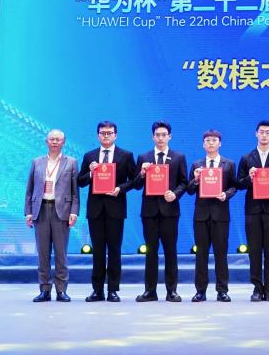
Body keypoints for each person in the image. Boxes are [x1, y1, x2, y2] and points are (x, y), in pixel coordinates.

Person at [77, 121, 136, 303]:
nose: (106, 135)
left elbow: (135, 181)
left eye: (109, 133)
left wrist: (120, 189)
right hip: (95, 210)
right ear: (98, 136)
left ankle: (112, 290)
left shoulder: (126, 155)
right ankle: (97, 290)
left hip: (116, 208)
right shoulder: (89, 156)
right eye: (103, 133)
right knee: (98, 251)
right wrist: (91, 173)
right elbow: (80, 181)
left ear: (115, 135)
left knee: (115, 250)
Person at [133, 121, 188, 303]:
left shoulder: (178, 157)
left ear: (169, 136)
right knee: (151, 252)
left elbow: (184, 182)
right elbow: (136, 185)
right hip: (149, 212)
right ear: (152, 137)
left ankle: (172, 291)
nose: (161, 138)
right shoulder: (144, 157)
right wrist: (141, 174)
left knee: (170, 251)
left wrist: (175, 194)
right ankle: (150, 291)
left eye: (164, 135)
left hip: (170, 211)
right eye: (157, 135)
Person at [237, 120, 269, 302]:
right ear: (256, 134)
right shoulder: (246, 158)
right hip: (252, 210)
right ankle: (257, 289)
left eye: (268, 132)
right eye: (261, 132)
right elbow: (239, 183)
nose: (264, 135)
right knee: (254, 251)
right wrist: (249, 178)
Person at [24, 129, 79, 302]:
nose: (55, 142)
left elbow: (75, 192)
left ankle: (61, 290)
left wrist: (74, 212)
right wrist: (28, 212)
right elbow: (29, 190)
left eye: (58, 139)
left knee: (61, 253)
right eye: (52, 139)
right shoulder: (37, 162)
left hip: (61, 210)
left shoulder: (71, 162)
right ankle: (44, 290)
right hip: (40, 210)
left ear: (64, 142)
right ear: (46, 141)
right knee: (43, 253)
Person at [187, 130, 238, 302]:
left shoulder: (229, 164)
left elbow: (234, 187)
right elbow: (189, 190)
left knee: (221, 254)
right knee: (201, 254)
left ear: (220, 143)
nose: (211, 143)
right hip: (201, 215)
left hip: (220, 214)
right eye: (207, 140)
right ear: (203, 144)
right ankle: (200, 291)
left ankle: (222, 290)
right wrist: (195, 180)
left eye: (214, 140)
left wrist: (226, 194)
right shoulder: (197, 165)